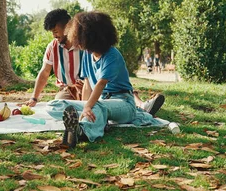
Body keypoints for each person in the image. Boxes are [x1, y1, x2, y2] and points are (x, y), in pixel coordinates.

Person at [47, 11, 167, 148]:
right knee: (54, 105)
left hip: (124, 103)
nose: (75, 41)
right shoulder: (87, 54)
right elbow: (87, 85)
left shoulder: (112, 56)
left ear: (90, 36)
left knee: (96, 106)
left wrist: (88, 107)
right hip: (101, 101)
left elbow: (100, 84)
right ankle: (96, 119)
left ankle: (81, 131)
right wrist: (85, 107)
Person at [26, 9, 163, 114]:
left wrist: (87, 106)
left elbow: (103, 82)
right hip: (75, 89)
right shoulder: (57, 47)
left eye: (56, 31)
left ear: (68, 26)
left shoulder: (91, 46)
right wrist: (34, 98)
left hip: (106, 91)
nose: (54, 36)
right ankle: (96, 112)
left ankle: (139, 106)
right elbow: (44, 72)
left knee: (109, 97)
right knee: (56, 104)